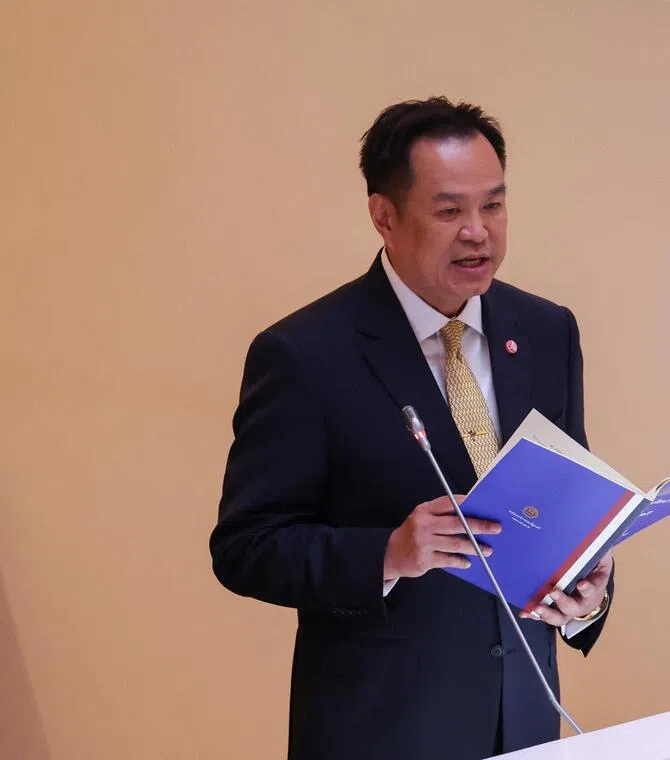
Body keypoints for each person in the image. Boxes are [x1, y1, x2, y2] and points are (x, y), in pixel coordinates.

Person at [209, 97, 615, 759]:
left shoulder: (547, 331)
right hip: (380, 730)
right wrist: (390, 554)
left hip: (523, 724)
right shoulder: (306, 354)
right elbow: (246, 547)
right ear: (384, 216)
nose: (478, 232)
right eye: (450, 211)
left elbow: (567, 503)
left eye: (494, 205)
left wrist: (586, 587)